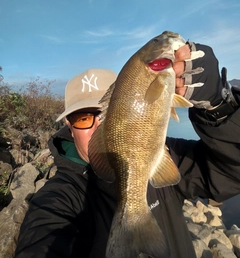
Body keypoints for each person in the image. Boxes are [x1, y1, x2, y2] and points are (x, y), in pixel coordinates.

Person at [15, 33, 240, 258]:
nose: (97, 128)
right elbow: (41, 243)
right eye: (83, 118)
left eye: (107, 114)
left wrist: (220, 106)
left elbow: (231, 173)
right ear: (69, 127)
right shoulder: (57, 201)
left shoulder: (168, 154)